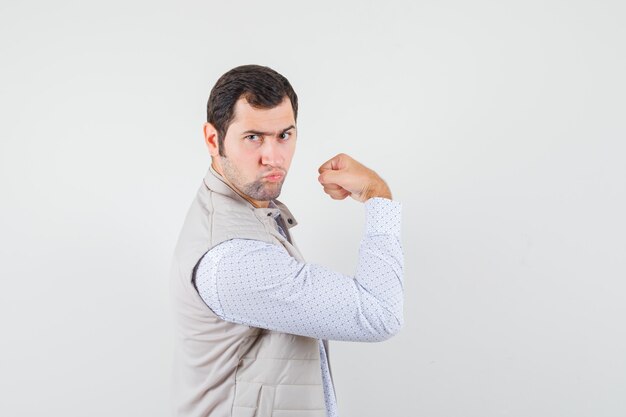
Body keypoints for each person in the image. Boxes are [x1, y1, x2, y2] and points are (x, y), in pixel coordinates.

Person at [170, 64, 404, 417]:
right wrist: (378, 197)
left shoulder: (249, 207)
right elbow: (380, 315)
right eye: (253, 137)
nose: (274, 158)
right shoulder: (234, 257)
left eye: (284, 135)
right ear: (212, 139)